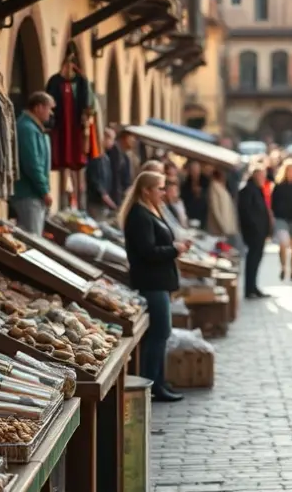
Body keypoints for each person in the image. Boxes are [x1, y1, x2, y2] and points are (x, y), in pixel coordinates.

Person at [120, 171, 188, 402]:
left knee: (160, 334)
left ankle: (158, 381)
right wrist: (174, 249)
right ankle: (152, 383)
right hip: (151, 283)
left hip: (159, 281)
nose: (163, 191)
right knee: (160, 333)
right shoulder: (139, 215)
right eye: (159, 187)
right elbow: (148, 252)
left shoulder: (151, 211)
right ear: (146, 190)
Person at [12, 91, 55, 235]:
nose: (51, 113)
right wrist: (44, 191)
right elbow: (32, 164)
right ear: (38, 108)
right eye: (49, 108)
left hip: (33, 194)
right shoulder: (27, 129)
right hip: (28, 194)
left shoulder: (34, 128)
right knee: (32, 239)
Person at [236, 166, 271, 298]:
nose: (263, 179)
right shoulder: (247, 191)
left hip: (260, 232)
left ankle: (253, 287)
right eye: (260, 176)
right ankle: (249, 288)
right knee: (252, 260)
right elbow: (246, 212)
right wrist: (255, 227)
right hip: (253, 232)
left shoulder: (257, 190)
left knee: (256, 260)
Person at [86, 128, 116, 220]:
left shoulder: (106, 158)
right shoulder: (96, 158)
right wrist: (107, 199)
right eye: (110, 138)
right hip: (95, 202)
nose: (112, 142)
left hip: (103, 204)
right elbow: (96, 182)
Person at [206, 168, 239, 241]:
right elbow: (215, 208)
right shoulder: (214, 187)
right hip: (218, 228)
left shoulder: (222, 187)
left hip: (225, 226)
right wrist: (223, 226)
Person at [107, 129, 136, 206]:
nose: (134, 141)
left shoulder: (125, 157)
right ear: (125, 138)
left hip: (120, 198)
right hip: (111, 198)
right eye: (132, 138)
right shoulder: (113, 152)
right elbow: (114, 177)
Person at [180, 160, 211, 229]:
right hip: (190, 209)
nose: (194, 172)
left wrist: (201, 192)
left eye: (196, 169)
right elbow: (184, 195)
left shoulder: (205, 180)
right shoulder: (186, 181)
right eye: (192, 170)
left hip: (203, 209)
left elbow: (209, 194)